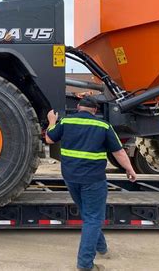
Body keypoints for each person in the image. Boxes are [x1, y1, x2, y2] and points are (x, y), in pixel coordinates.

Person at [45, 96, 137, 271]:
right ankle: (85, 264)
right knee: (93, 219)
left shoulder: (65, 122)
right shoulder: (103, 126)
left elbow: (49, 138)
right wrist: (130, 170)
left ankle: (102, 249)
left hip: (70, 178)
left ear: (79, 107)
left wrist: (51, 121)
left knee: (90, 216)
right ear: (95, 110)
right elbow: (118, 152)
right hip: (93, 180)